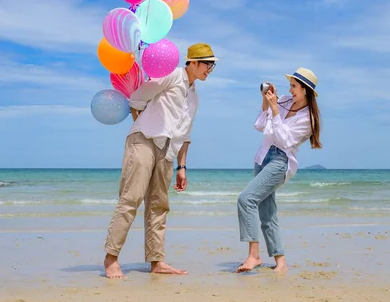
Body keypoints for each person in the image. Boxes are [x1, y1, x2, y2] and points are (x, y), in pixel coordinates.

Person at [103, 43, 218, 278]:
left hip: (168, 151)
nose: (210, 69)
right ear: (193, 62)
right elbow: (137, 98)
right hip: (144, 140)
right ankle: (111, 259)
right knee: (131, 199)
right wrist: (143, 124)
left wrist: (182, 167)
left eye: (212, 65)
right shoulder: (172, 75)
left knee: (159, 206)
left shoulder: (195, 97)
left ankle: (157, 262)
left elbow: (185, 134)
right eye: (208, 64)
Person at [236, 67, 322, 273]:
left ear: (305, 91)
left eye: (294, 86)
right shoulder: (283, 100)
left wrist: (275, 110)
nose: (290, 90)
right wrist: (266, 102)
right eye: (290, 85)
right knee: (267, 212)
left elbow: (284, 140)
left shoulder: (307, 119)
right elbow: (259, 125)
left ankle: (254, 255)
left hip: (279, 161)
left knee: (245, 199)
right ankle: (280, 261)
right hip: (262, 157)